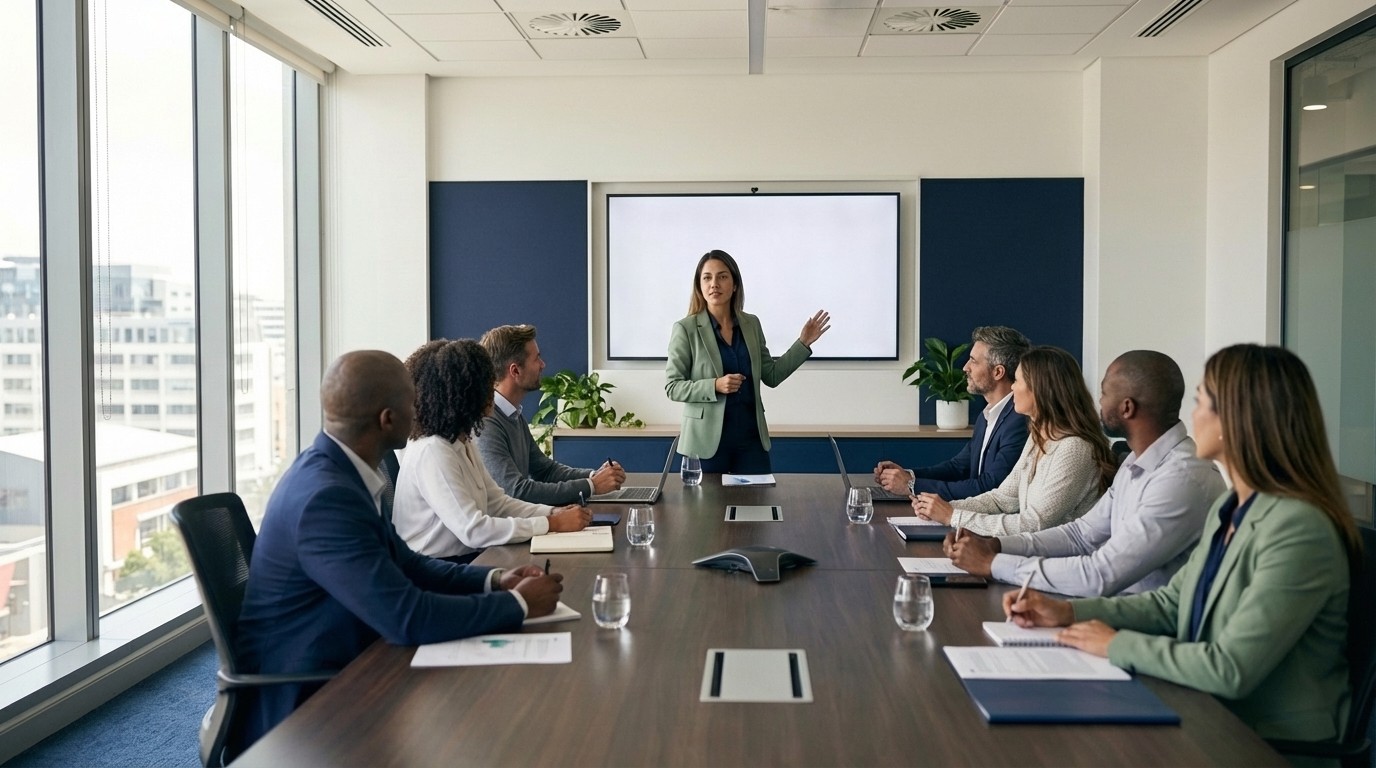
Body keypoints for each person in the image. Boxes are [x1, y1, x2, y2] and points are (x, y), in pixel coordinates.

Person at [1007, 344, 1360, 742]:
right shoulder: (1233, 505)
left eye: (1200, 402)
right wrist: (1067, 612)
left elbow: (1231, 668)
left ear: (1238, 419)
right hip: (1203, 711)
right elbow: (1172, 604)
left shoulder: (1299, 530)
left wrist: (1116, 643)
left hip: (1264, 740)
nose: (1191, 415)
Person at [235, 350, 563, 755]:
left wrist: (495, 580)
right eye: (412, 400)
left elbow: (407, 564)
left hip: (354, 654)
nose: (420, 408)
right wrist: (518, 606)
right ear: (388, 419)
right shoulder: (326, 497)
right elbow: (408, 617)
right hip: (308, 702)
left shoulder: (341, 472)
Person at [946, 350, 1224, 596]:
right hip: (1117, 608)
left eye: (1103, 394)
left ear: (1127, 407)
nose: (1097, 403)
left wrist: (993, 563)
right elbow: (1081, 534)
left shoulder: (1180, 479)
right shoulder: (1135, 463)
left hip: (1146, 625)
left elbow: (1101, 574)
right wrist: (995, 545)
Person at [393, 339, 591, 564]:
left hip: (466, 559)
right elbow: (474, 530)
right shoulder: (433, 450)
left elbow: (497, 503)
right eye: (487, 384)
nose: (493, 391)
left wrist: (551, 513)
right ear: (464, 393)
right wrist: (551, 524)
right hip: (435, 570)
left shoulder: (462, 441)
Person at [910, 346, 1116, 535]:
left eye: (1017, 381)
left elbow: (1034, 525)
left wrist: (952, 516)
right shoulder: (1039, 438)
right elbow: (1001, 500)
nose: (1012, 388)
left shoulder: (1074, 448)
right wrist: (945, 508)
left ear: (1040, 390)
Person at [665, 249, 830, 473]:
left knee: (756, 506)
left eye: (722, 276)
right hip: (705, 444)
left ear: (734, 285)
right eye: (707, 277)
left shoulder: (751, 324)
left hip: (751, 442)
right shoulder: (685, 329)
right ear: (700, 286)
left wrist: (803, 343)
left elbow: (771, 376)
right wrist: (714, 385)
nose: (714, 283)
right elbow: (672, 387)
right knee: (704, 509)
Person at [874, 326, 1031, 499]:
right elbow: (958, 468)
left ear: (998, 372)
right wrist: (908, 475)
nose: (965, 367)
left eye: (973, 361)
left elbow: (989, 487)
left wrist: (911, 485)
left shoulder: (1019, 421)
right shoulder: (986, 416)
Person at [476, 324, 626, 504]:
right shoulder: (486, 424)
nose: (542, 364)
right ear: (515, 370)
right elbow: (516, 491)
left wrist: (595, 475)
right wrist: (591, 485)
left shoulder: (513, 415)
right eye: (537, 358)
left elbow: (545, 471)